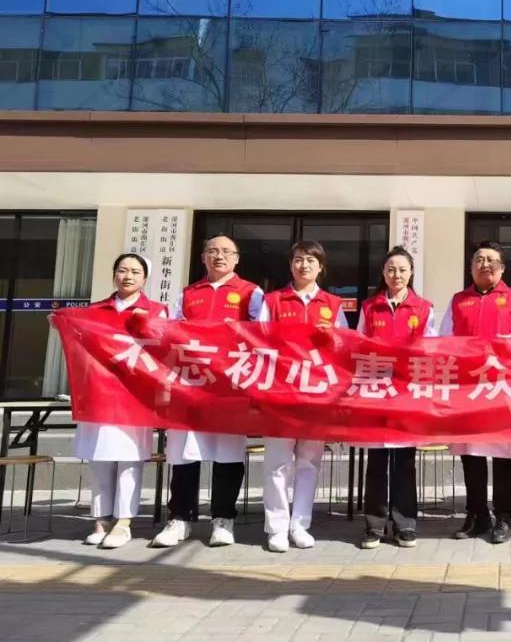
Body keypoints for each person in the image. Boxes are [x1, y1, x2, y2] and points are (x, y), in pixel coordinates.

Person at [152, 234, 264, 548]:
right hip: (191, 385)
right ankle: (180, 518)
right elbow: (169, 333)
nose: (219, 256)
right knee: (184, 453)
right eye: (212, 251)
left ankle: (223, 519)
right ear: (202, 257)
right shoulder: (189, 293)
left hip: (230, 386)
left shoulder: (251, 292)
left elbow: (262, 335)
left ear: (237, 258)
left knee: (228, 454)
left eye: (226, 251)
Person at [440, 240, 511, 544]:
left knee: (502, 456)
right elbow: (443, 339)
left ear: (502, 268)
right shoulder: (458, 300)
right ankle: (477, 514)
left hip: (502, 389)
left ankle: (504, 517)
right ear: (470, 267)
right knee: (471, 455)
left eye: (492, 260)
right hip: (467, 389)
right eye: (479, 259)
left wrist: (500, 343)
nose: (485, 264)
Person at [69, 253, 167, 548]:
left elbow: (164, 350)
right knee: (100, 458)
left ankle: (124, 522)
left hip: (135, 395)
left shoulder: (156, 311)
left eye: (135, 271)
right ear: (114, 275)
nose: (128, 276)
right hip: (99, 393)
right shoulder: (95, 310)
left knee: (129, 459)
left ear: (145, 279)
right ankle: (101, 520)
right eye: (122, 270)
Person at [259, 241, 348, 553]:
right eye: (298, 260)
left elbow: (344, 347)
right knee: (277, 462)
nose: (304, 265)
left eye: (311, 260)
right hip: (280, 391)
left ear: (321, 267)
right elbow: (258, 341)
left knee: (309, 462)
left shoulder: (333, 304)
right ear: (290, 265)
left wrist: (333, 336)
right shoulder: (273, 301)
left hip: (316, 393)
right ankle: (276, 527)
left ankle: (300, 525)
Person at [356, 245, 437, 550]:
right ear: (383, 272)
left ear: (411, 273)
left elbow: (432, 349)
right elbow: (358, 345)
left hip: (407, 393)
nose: (396, 275)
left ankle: (405, 524)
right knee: (376, 462)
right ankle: (374, 525)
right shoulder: (369, 307)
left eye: (402, 269)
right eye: (391, 269)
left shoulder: (424, 308)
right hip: (376, 392)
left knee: (404, 462)